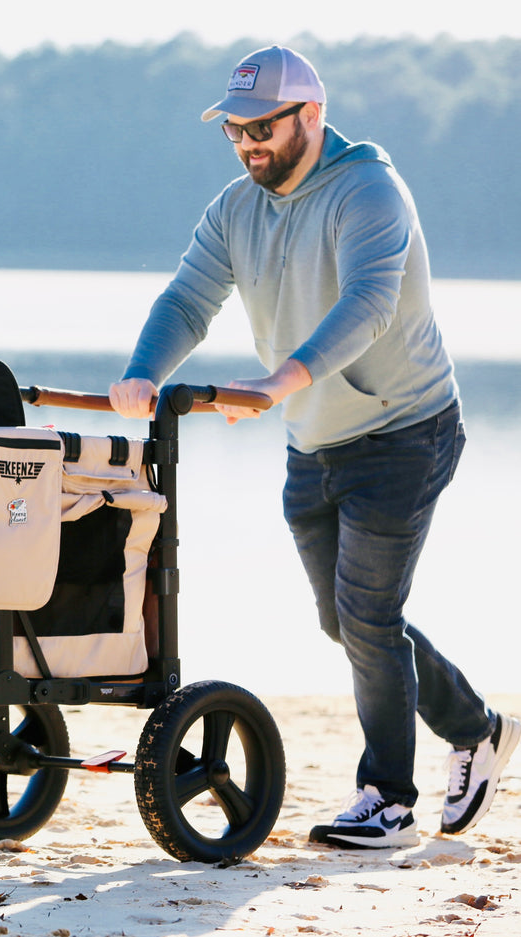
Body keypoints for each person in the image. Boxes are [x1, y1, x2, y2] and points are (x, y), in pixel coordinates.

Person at [108, 45, 517, 850]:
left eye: (262, 126)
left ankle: (388, 799)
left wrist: (278, 381)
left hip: (406, 429)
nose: (248, 143)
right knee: (347, 619)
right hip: (315, 440)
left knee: (368, 614)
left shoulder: (370, 190)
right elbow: (190, 295)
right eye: (234, 130)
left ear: (312, 116)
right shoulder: (237, 207)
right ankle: (478, 728)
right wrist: (141, 372)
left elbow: (370, 302)